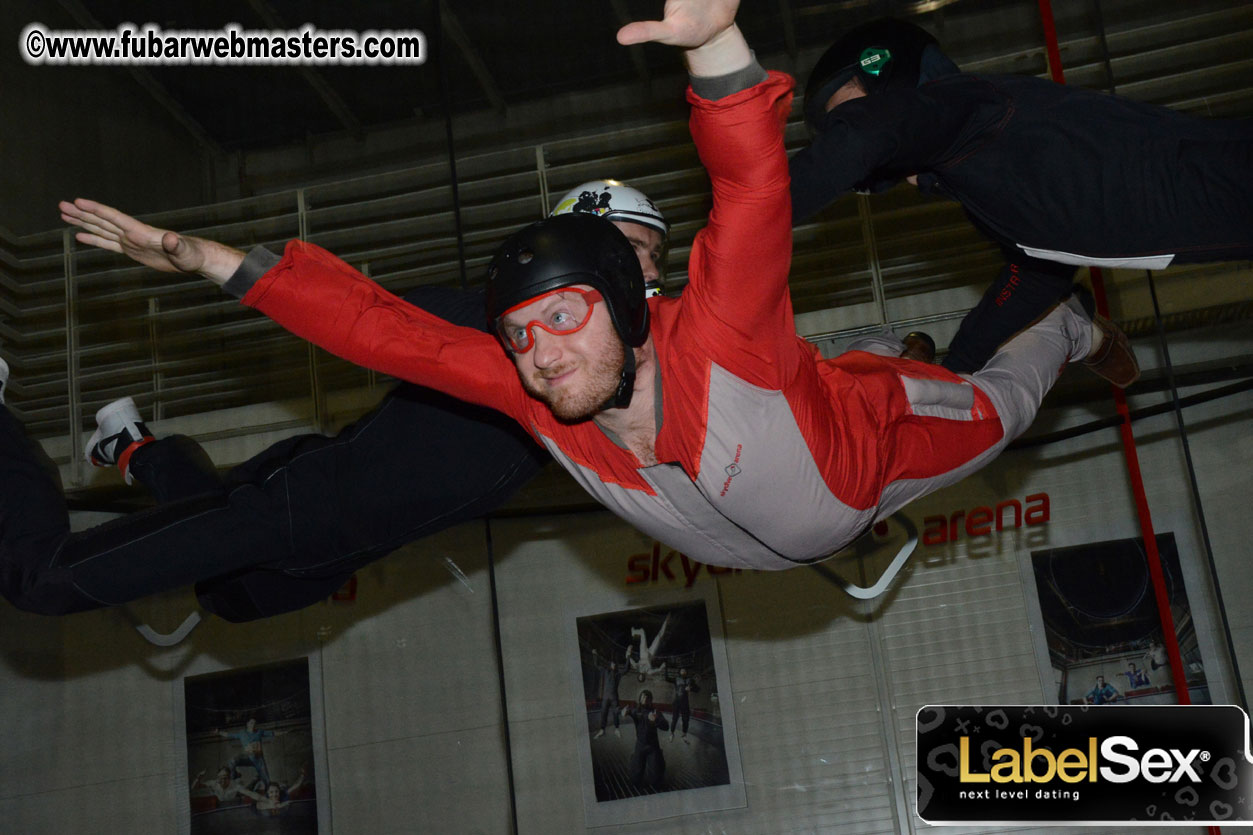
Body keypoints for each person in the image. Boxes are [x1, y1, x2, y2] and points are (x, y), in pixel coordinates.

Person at [49, 0, 1134, 589]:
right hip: (755, 532)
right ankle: (153, 461)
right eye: (519, 336)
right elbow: (384, 334)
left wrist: (717, 51)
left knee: (997, 392)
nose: (538, 355)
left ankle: (1070, 313)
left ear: (627, 299)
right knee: (254, 558)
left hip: (859, 454)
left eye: (560, 320)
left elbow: (751, 193)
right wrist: (211, 262)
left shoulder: (720, 333)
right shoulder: (537, 386)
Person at [0, 180, 663, 618]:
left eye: (655, 255)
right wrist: (207, 259)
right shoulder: (490, 327)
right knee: (42, 581)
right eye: (636, 250)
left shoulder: (594, 376)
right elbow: (356, 313)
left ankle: (136, 447)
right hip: (297, 502)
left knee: (231, 597)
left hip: (332, 542)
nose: (653, 271)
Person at [791, 17, 1253, 376]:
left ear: (888, 80)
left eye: (848, 116)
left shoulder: (967, 108)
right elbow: (1037, 274)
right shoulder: (974, 174)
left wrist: (747, 213)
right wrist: (960, 367)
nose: (844, 135)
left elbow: (867, 135)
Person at [212, 718, 287, 787]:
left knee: (266, 779)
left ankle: (268, 793)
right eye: (251, 723)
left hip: (258, 759)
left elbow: (273, 733)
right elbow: (229, 735)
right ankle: (234, 777)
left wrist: (283, 732)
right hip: (247, 757)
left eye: (254, 723)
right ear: (247, 724)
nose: (253, 724)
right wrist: (219, 732)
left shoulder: (259, 732)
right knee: (233, 761)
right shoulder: (242, 733)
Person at [622, 689, 669, 790]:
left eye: (648, 697)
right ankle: (634, 758)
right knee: (635, 779)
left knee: (656, 780)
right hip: (640, 746)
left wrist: (656, 720)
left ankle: (659, 759)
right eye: (643, 697)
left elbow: (666, 727)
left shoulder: (655, 712)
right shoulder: (636, 711)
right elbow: (626, 711)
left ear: (651, 700)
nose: (645, 699)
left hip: (653, 746)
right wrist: (623, 712)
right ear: (640, 699)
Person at [590, 649, 625, 739]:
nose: (614, 665)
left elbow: (626, 669)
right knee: (603, 713)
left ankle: (617, 729)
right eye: (612, 664)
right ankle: (602, 730)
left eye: (615, 664)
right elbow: (596, 665)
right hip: (606, 697)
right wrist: (595, 655)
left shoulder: (618, 674)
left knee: (615, 713)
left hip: (614, 698)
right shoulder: (606, 671)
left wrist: (628, 656)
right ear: (610, 665)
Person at [626, 613, 669, 682]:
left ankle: (634, 632)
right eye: (642, 677)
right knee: (659, 637)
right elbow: (658, 670)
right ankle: (667, 620)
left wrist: (628, 652)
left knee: (642, 631)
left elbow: (630, 660)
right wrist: (661, 667)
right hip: (651, 654)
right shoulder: (649, 672)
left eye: (639, 677)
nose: (641, 676)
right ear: (644, 677)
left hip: (643, 654)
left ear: (638, 675)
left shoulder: (637, 668)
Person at [668, 666, 700, 743]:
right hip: (676, 703)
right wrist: (665, 667)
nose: (683, 672)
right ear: (679, 672)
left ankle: (684, 735)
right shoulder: (676, 679)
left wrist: (691, 689)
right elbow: (667, 678)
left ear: (686, 672)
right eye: (682, 671)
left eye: (684, 671)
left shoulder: (690, 680)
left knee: (686, 720)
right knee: (674, 719)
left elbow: (698, 689)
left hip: (685, 703)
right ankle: (672, 734)